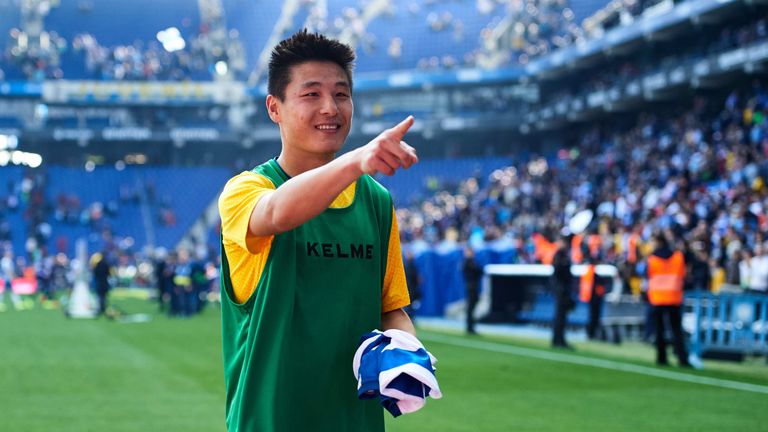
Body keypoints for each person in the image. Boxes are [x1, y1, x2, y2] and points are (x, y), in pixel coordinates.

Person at [218, 30, 418, 432]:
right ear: (274, 108)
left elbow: (390, 308)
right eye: (311, 94)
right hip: (271, 421)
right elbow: (276, 214)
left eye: (341, 95)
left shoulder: (376, 200)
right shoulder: (247, 191)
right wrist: (356, 161)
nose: (330, 107)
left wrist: (406, 350)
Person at [646, 233, 691, 367]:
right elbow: (684, 273)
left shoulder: (652, 259)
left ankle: (661, 357)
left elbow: (648, 276)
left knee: (659, 330)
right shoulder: (678, 257)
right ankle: (682, 358)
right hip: (673, 297)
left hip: (657, 298)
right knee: (676, 330)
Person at [551, 233, 574, 349]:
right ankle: (557, 340)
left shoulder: (564, 255)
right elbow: (558, 273)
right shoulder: (559, 255)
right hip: (561, 290)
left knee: (562, 316)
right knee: (559, 316)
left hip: (564, 290)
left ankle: (560, 339)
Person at [463, 246, 483, 335]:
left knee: (472, 308)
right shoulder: (468, 262)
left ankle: (471, 326)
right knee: (470, 308)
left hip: (474, 287)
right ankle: (469, 327)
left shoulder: (473, 262)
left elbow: (479, 271)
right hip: (471, 288)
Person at [91, 251, 111, 316]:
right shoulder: (106, 264)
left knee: (99, 297)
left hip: (99, 283)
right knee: (104, 297)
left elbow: (95, 273)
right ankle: (103, 308)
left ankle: (100, 309)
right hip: (105, 283)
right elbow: (109, 274)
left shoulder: (97, 265)